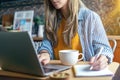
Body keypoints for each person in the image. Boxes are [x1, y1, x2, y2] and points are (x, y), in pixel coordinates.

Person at [37, 0, 113, 70]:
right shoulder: (51, 19)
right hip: (57, 72)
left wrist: (103, 57)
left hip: (83, 72)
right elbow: (46, 45)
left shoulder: (90, 17)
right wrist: (44, 53)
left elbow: (105, 49)